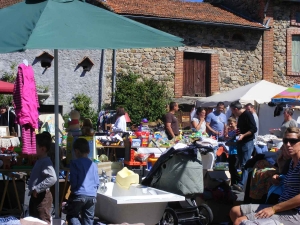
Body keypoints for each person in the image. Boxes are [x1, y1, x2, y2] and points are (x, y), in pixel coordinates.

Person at [230, 127, 300, 225]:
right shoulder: (292, 162)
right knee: (235, 211)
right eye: (285, 141)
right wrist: (279, 177)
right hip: (282, 207)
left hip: (294, 213)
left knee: (240, 221)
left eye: (293, 141)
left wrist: (273, 209)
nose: (288, 144)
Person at [66, 138, 99, 225]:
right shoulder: (94, 165)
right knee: (88, 219)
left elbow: (74, 180)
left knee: (72, 215)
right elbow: (97, 182)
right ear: (88, 151)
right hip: (92, 195)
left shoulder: (75, 163)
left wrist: (73, 191)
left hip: (79, 193)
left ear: (76, 151)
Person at [28, 132, 57, 225]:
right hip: (35, 196)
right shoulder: (40, 160)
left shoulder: (45, 162)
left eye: (34, 146)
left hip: (42, 197)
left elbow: (52, 178)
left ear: (43, 149)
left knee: (43, 220)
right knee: (34, 220)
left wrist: (38, 188)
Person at [230, 101, 257, 192]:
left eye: (233, 111)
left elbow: (254, 129)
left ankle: (242, 185)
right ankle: (243, 183)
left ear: (236, 109)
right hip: (241, 142)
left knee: (245, 164)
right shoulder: (240, 117)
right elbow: (240, 129)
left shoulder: (247, 114)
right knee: (241, 164)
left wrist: (243, 135)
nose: (233, 113)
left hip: (247, 142)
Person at [225, 117, 240, 186]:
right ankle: (233, 183)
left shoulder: (237, 131)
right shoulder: (230, 131)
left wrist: (229, 143)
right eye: (229, 124)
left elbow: (238, 141)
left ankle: (239, 181)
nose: (230, 125)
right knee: (231, 168)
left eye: (231, 123)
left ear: (235, 123)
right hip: (231, 151)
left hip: (236, 152)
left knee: (234, 168)